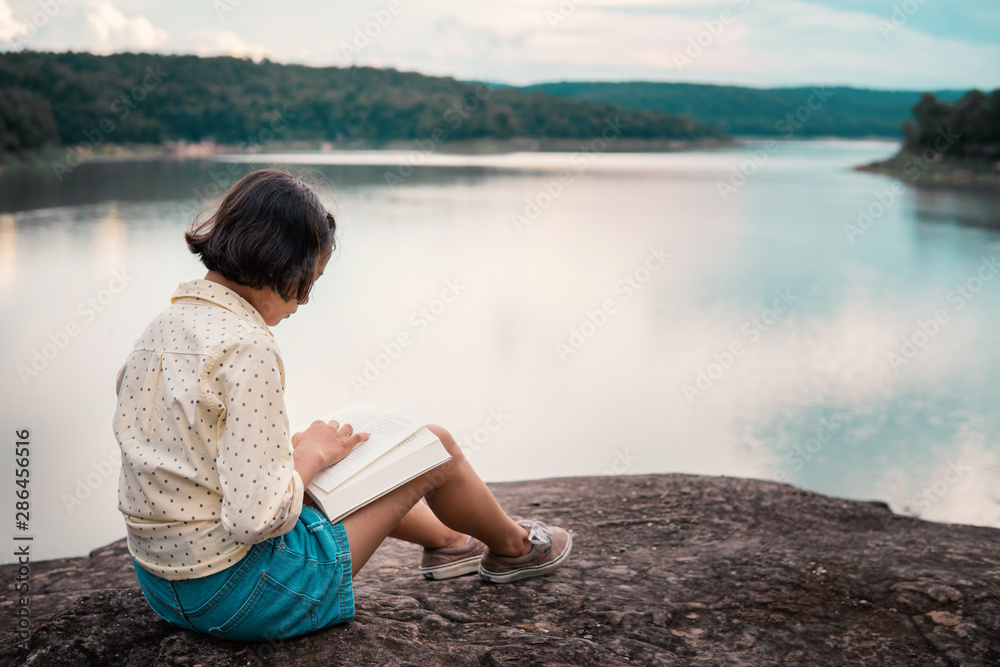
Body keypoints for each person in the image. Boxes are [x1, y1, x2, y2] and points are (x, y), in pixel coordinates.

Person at [113, 168, 571, 642]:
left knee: (331, 454)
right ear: (279, 267)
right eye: (308, 282)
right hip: (243, 596)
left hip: (165, 587)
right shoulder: (247, 346)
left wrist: (301, 459)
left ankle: (449, 542)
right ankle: (516, 547)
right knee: (436, 446)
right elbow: (256, 519)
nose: (305, 301)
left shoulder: (161, 328)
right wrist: (307, 458)